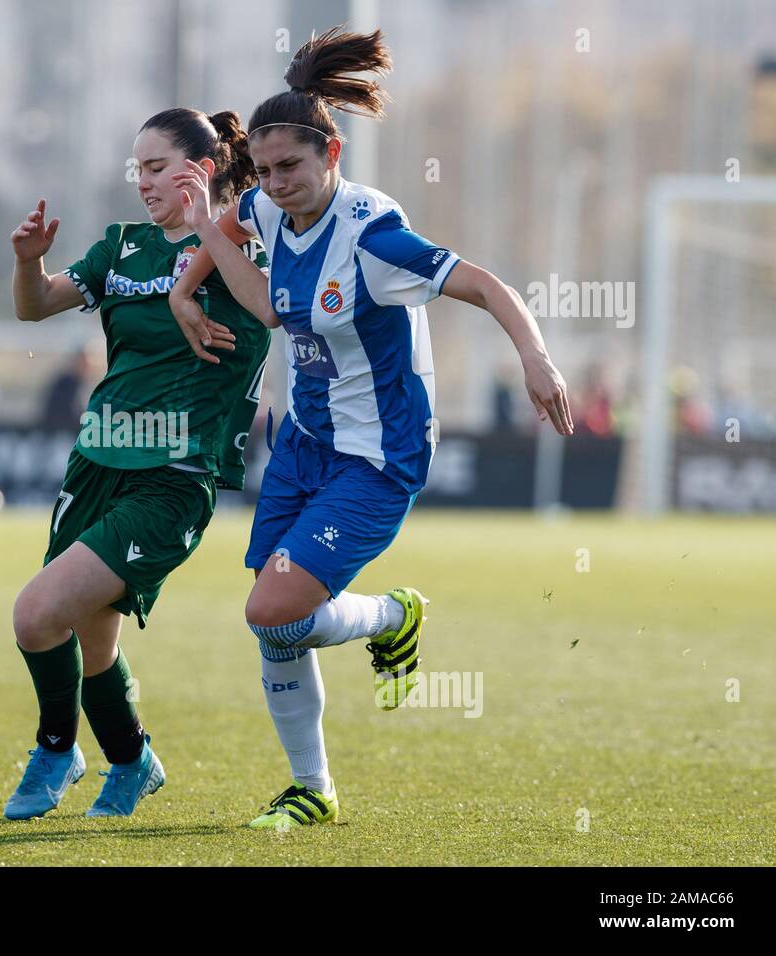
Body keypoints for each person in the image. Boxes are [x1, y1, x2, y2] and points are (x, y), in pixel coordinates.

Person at [169, 27, 573, 828]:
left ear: (333, 154)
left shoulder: (375, 240)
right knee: (276, 625)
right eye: (269, 169)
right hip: (302, 444)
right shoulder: (264, 205)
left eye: (294, 168)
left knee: (269, 610)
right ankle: (311, 787)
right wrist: (187, 288)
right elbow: (251, 262)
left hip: (378, 458)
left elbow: (488, 285)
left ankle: (393, 615)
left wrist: (537, 356)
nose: (277, 184)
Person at [4, 107, 270, 819]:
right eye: (138, 169)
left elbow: (269, 311)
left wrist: (206, 241)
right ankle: (131, 761)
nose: (142, 182)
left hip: (174, 479)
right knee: (90, 642)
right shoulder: (121, 247)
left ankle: (56, 748)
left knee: (35, 615)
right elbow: (36, 308)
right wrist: (29, 260)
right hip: (96, 463)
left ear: (200, 170)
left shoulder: (245, 247)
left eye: (156, 168)